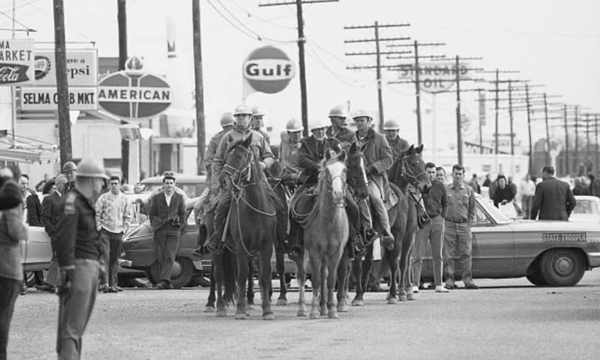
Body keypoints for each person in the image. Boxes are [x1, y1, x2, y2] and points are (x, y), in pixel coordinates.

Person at [287, 118, 365, 260]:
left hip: (333, 182)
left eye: (322, 129)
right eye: (317, 130)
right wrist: (322, 167)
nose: (320, 132)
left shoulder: (334, 143)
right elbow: (302, 160)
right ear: (312, 131)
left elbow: (341, 159)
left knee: (354, 207)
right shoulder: (304, 144)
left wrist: (330, 169)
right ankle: (295, 242)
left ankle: (355, 239)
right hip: (310, 182)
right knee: (294, 206)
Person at [53, 158, 107, 360]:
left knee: (76, 326)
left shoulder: (81, 202)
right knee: (72, 327)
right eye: (101, 180)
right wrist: (67, 270)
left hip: (87, 266)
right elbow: (64, 239)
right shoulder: (72, 202)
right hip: (79, 267)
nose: (102, 185)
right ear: (92, 180)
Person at [204, 104, 275, 253]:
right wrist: (216, 184)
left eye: (244, 115)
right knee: (220, 207)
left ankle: (282, 236)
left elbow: (270, 156)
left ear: (250, 118)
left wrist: (263, 164)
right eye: (239, 116)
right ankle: (217, 238)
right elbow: (217, 161)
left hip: (258, 179)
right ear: (235, 118)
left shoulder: (259, 137)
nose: (241, 118)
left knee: (279, 204)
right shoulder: (227, 137)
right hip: (234, 183)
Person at [191, 112, 235, 257]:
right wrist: (219, 172)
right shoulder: (216, 139)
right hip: (216, 182)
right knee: (198, 207)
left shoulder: (241, 138)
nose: (228, 129)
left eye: (230, 126)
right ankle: (202, 242)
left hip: (237, 180)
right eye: (225, 127)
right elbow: (208, 161)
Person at [353, 109, 395, 249]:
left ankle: (385, 232)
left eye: (362, 120)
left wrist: (371, 168)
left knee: (375, 198)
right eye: (357, 121)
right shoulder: (352, 139)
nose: (360, 123)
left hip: (372, 178)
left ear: (369, 121)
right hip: (353, 179)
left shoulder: (379, 138)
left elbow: (388, 159)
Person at [0, 166, 28, 360]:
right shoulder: (11, 201)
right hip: (8, 267)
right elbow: (16, 231)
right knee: (3, 317)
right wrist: (26, 230)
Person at [411, 162, 449, 293]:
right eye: (429, 172)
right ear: (425, 172)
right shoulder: (419, 185)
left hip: (437, 220)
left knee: (438, 254)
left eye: (433, 172)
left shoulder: (440, 186)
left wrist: (442, 217)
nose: (432, 175)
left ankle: (439, 284)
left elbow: (445, 203)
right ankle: (415, 284)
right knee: (418, 254)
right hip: (423, 221)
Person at [148, 171, 186, 289]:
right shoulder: (156, 198)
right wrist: (156, 225)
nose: (169, 185)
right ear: (163, 185)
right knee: (161, 255)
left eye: (171, 183)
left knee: (170, 254)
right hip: (160, 229)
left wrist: (180, 225)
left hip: (174, 230)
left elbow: (183, 214)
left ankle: (164, 280)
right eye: (167, 183)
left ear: (174, 185)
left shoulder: (179, 198)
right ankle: (165, 281)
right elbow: (152, 214)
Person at [95, 176, 132, 293]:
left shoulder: (125, 199)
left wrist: (124, 229)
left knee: (114, 259)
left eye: (116, 183)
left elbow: (128, 215)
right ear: (109, 185)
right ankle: (104, 283)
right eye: (112, 184)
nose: (114, 185)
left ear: (120, 184)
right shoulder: (103, 198)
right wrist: (99, 228)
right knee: (105, 256)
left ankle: (113, 283)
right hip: (105, 231)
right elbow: (97, 213)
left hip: (118, 231)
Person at [443, 164, 478, 290]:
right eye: (455, 173)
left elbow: (472, 209)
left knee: (466, 253)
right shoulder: (446, 189)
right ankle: (449, 281)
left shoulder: (469, 190)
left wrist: (469, 224)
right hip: (449, 225)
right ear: (452, 175)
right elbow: (442, 207)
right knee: (448, 255)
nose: (458, 176)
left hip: (464, 225)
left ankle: (468, 280)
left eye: (460, 174)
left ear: (463, 176)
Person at [36, 175, 68, 294]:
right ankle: (53, 283)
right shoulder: (49, 199)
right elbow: (45, 217)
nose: (66, 186)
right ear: (58, 184)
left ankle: (52, 283)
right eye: (64, 184)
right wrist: (52, 232)